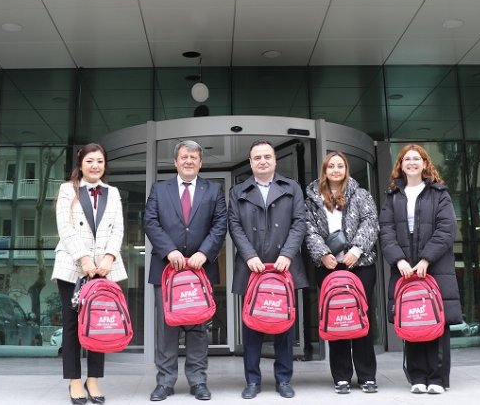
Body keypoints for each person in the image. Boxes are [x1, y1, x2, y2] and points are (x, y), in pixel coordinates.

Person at [144, 140, 227, 402]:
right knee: (167, 328)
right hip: (166, 269)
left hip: (200, 270)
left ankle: (198, 381)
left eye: (193, 157)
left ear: (200, 162)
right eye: (184, 157)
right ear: (175, 162)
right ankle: (165, 382)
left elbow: (220, 223)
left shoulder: (214, 189)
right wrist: (169, 250)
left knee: (198, 327)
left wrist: (204, 252)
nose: (188, 161)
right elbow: (150, 220)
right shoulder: (159, 189)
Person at [378, 144, 461, 395]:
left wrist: (426, 259)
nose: (412, 163)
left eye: (416, 159)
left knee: (437, 321)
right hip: (405, 268)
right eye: (407, 159)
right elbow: (386, 231)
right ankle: (417, 376)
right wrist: (399, 261)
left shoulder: (439, 193)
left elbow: (447, 230)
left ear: (425, 163)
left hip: (435, 267)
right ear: (400, 165)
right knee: (412, 319)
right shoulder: (393, 196)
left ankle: (437, 378)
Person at [228, 140, 307, 400]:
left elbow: (299, 223)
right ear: (250, 162)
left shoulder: (291, 187)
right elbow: (234, 226)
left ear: (275, 160)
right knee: (252, 327)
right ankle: (252, 380)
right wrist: (249, 256)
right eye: (257, 157)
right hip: (252, 269)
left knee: (284, 327)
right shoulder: (238, 191)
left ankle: (283, 379)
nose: (262, 161)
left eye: (267, 157)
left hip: (283, 267)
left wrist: (288, 254)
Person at [52, 142, 128, 404]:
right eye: (90, 161)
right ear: (81, 164)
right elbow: (65, 228)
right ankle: (74, 380)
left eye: (100, 161)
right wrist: (84, 259)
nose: (95, 166)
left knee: (100, 324)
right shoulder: (66, 190)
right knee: (72, 325)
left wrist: (108, 258)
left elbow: (118, 228)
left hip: (105, 268)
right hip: (72, 267)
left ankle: (93, 379)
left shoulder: (113, 192)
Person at [304, 151, 379, 394]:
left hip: (360, 266)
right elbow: (309, 229)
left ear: (346, 169)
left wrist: (356, 250)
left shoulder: (361, 194)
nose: (336, 170)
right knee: (337, 319)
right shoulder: (312, 198)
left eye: (340, 166)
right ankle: (342, 376)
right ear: (324, 170)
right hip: (328, 267)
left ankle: (367, 375)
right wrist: (323, 254)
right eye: (331, 166)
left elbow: (371, 222)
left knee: (361, 317)